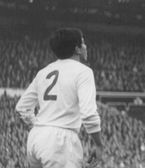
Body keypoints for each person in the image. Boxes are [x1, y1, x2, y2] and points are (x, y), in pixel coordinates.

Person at [15, 27, 103, 168]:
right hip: (61, 142)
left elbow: (21, 108)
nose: (86, 46)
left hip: (36, 138)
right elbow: (88, 114)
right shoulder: (83, 72)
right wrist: (99, 145)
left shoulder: (43, 72)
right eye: (83, 43)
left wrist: (40, 126)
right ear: (77, 49)